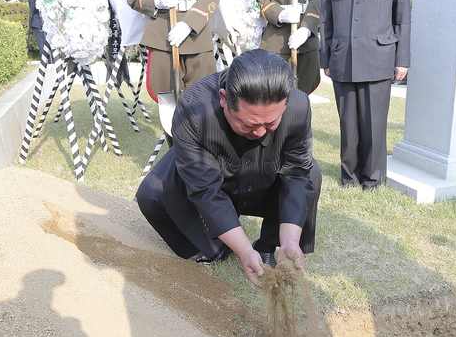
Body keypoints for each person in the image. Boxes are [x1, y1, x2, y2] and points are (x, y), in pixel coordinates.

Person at [136, 50, 322, 287]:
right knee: (152, 194)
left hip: (265, 171)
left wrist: (289, 241)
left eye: (271, 122)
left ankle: (267, 246)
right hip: (210, 168)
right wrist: (242, 249)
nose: (260, 133)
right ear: (224, 98)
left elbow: (297, 173)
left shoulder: (298, 106)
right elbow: (204, 190)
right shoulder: (193, 109)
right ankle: (217, 246)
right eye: (249, 124)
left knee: (312, 173)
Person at [319, 0, 410, 190]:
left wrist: (402, 59)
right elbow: (326, 18)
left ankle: (373, 178)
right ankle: (349, 177)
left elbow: (402, 15)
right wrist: (325, 59)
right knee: (347, 124)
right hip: (343, 58)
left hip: (378, 56)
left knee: (374, 124)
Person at [126, 0, 220, 102]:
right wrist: (157, 0)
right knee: (167, 101)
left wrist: (189, 24)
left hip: (197, 32)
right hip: (163, 34)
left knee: (203, 101)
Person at [256, 0, 324, 95]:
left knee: (302, 99)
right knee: (275, 97)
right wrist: (280, 14)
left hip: (307, 42)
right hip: (276, 42)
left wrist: (306, 29)